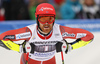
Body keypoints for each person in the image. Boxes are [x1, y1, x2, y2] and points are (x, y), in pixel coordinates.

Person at [0, 3, 94, 64]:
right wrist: (20, 48)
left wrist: (71, 46)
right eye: (43, 18)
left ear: (54, 19)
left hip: (49, 61)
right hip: (30, 61)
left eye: (50, 19)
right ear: (37, 19)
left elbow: (89, 36)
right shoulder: (29, 32)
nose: (46, 23)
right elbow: (2, 38)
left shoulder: (61, 31)